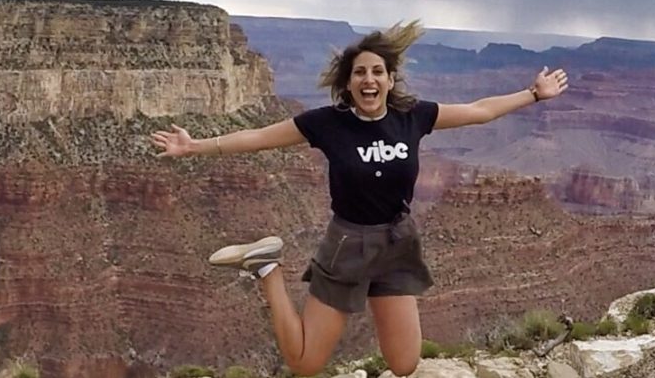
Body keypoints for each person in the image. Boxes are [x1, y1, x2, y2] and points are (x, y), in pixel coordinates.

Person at [149, 20, 569, 377]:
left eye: (377, 72)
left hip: (398, 243)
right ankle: (268, 269)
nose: (368, 79)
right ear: (348, 84)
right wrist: (197, 146)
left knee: (404, 364)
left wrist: (532, 94)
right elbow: (258, 137)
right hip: (348, 244)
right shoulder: (328, 124)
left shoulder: (414, 116)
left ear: (389, 79)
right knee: (304, 362)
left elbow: (479, 110)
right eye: (359, 73)